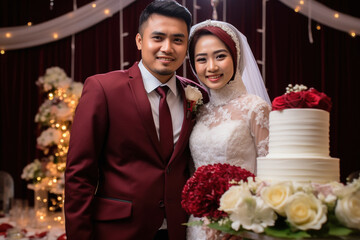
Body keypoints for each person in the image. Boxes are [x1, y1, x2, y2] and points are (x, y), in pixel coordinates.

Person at [64, 1, 208, 240]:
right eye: (158, 38)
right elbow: (80, 174)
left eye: (178, 40)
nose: (168, 48)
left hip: (179, 229)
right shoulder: (103, 88)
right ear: (140, 41)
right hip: (119, 230)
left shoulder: (196, 94)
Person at [185, 20, 271, 240]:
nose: (211, 67)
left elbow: (271, 176)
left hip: (241, 224)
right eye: (201, 59)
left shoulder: (256, 108)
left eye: (220, 56)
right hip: (198, 224)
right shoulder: (199, 110)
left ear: (235, 57)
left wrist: (240, 218)